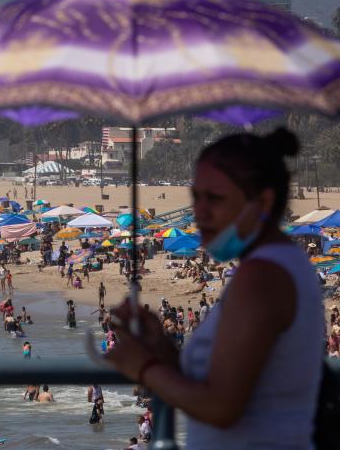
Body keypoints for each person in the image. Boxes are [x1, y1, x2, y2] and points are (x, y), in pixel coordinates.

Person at [104, 129, 322, 448]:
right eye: (196, 197)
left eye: (215, 198)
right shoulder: (278, 264)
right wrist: (162, 348)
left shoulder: (262, 278)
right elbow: (233, 382)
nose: (200, 212)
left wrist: (145, 368)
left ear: (262, 202)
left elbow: (222, 408)